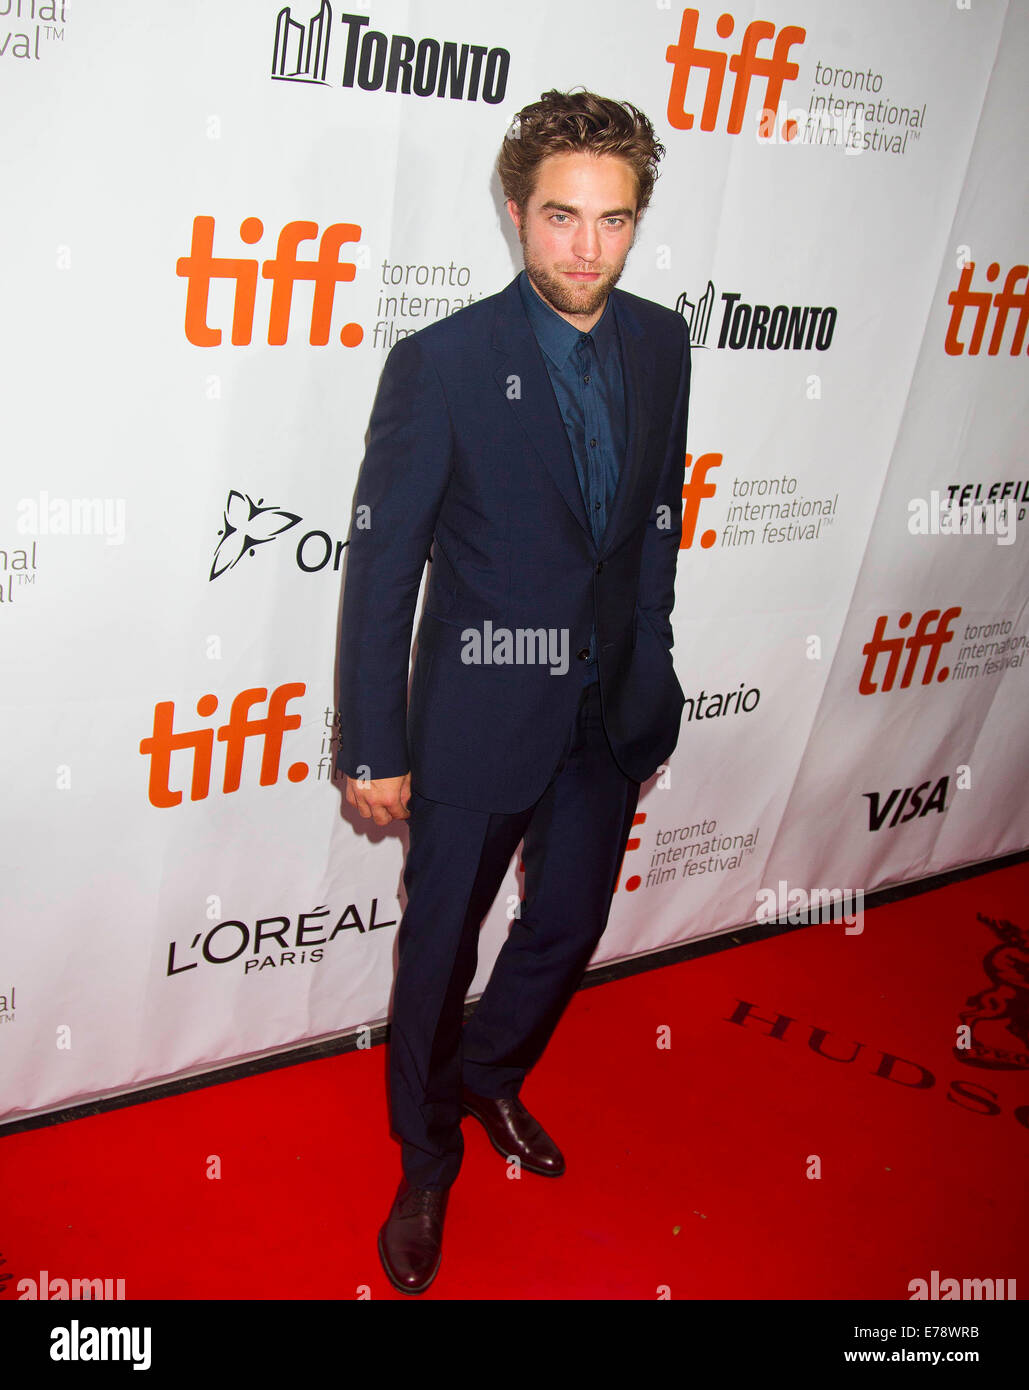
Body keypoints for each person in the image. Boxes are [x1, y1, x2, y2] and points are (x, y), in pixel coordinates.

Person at [336, 87, 691, 1295]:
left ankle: (489, 1075)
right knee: (437, 949)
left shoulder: (660, 340)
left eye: (612, 220)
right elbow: (383, 567)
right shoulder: (441, 366)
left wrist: (654, 654)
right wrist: (374, 741)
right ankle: (426, 1154)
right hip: (481, 710)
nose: (585, 248)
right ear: (514, 211)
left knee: (569, 925)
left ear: (637, 222)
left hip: (609, 712)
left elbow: (653, 518)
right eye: (560, 217)